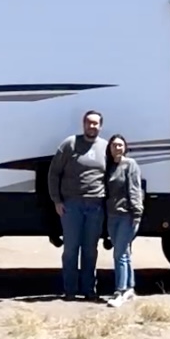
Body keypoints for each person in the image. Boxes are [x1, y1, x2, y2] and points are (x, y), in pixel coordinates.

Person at [48, 109, 108, 301]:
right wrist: (57, 200)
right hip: (71, 205)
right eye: (89, 122)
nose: (92, 126)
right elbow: (54, 173)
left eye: (95, 123)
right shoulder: (70, 144)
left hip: (96, 205)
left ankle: (89, 290)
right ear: (83, 124)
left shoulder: (105, 147)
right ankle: (70, 290)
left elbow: (112, 176)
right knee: (71, 249)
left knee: (90, 250)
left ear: (101, 126)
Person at [102, 135, 144, 307]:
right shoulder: (109, 167)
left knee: (119, 254)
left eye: (120, 145)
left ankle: (119, 292)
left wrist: (137, 212)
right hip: (112, 215)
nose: (117, 148)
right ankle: (129, 288)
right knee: (124, 253)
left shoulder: (130, 165)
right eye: (114, 145)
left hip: (127, 215)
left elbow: (135, 189)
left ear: (125, 147)